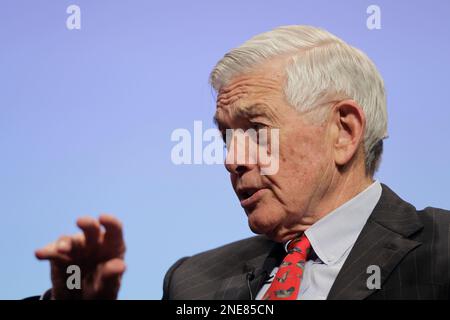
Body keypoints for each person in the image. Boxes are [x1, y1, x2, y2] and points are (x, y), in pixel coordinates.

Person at [34, 25, 450, 300]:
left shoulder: (441, 253)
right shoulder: (192, 282)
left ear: (342, 131)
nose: (232, 160)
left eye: (255, 129)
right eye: (226, 137)